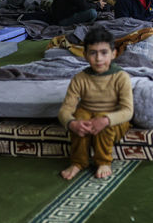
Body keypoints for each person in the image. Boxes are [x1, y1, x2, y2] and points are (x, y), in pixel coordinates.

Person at [57, 26, 133, 180]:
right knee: (79, 117)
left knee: (103, 120)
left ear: (113, 54)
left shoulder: (121, 77)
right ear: (85, 55)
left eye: (104, 53)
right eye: (93, 53)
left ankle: (103, 161)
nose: (98, 59)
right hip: (88, 116)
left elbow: (127, 111)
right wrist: (72, 123)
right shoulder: (80, 78)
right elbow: (65, 110)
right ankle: (78, 162)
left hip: (113, 120)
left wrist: (106, 120)